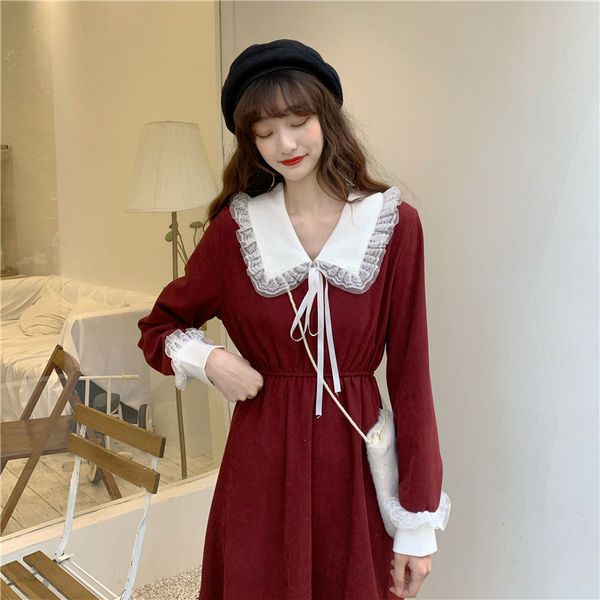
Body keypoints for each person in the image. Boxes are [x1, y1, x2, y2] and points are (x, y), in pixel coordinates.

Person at [137, 38, 451, 600]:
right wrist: (211, 361)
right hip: (261, 463)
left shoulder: (394, 226)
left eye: (298, 121)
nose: (284, 144)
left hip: (356, 465)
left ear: (327, 117)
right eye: (264, 132)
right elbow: (158, 327)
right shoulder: (236, 232)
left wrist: (417, 525)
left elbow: (411, 376)